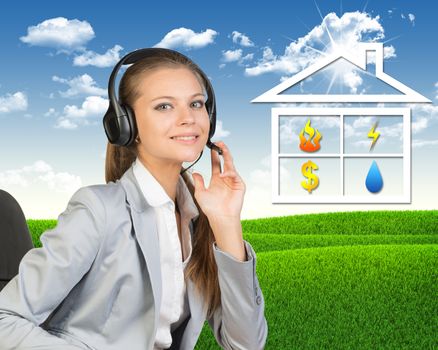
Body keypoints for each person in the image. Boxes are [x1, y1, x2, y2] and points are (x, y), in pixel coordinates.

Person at [0, 48, 268, 350]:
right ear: (125, 124)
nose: (188, 118)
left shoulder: (199, 219)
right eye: (164, 106)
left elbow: (245, 345)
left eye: (196, 103)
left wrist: (226, 223)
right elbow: (5, 318)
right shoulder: (98, 211)